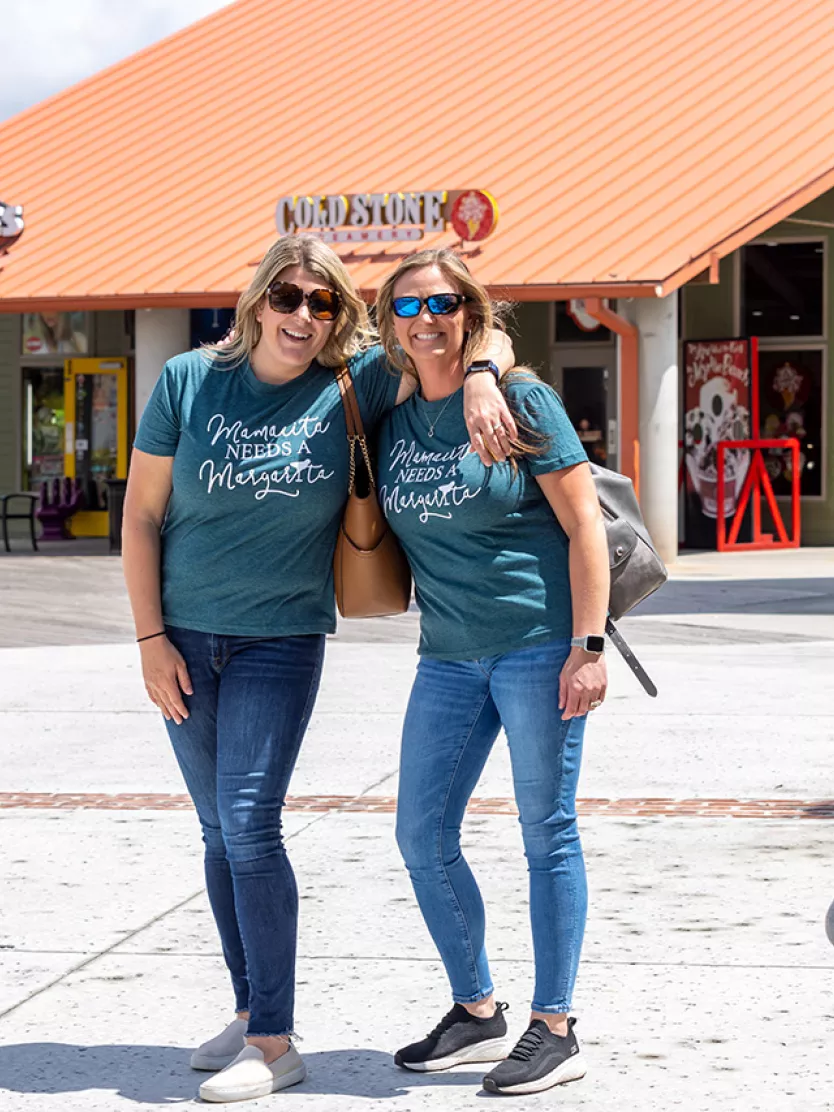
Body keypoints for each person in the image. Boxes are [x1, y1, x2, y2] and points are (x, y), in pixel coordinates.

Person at [121, 233, 516, 1104]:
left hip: (280, 640)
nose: (304, 315)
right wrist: (150, 642)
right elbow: (142, 518)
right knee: (219, 834)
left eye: (325, 302)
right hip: (182, 639)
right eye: (290, 297)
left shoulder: (356, 381)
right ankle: (248, 1005)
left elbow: (461, 332)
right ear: (259, 299)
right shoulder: (189, 381)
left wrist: (484, 373)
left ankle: (274, 1041)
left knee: (252, 824)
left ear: (341, 315)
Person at [374, 249, 610, 1096]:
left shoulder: (523, 399)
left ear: (470, 312)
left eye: (443, 303)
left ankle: (557, 1026)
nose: (426, 319)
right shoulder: (391, 415)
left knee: (545, 829)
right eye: (408, 308)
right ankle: (478, 1012)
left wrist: (589, 648)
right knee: (419, 835)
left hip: (540, 644)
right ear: (389, 324)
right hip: (447, 656)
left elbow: (585, 526)